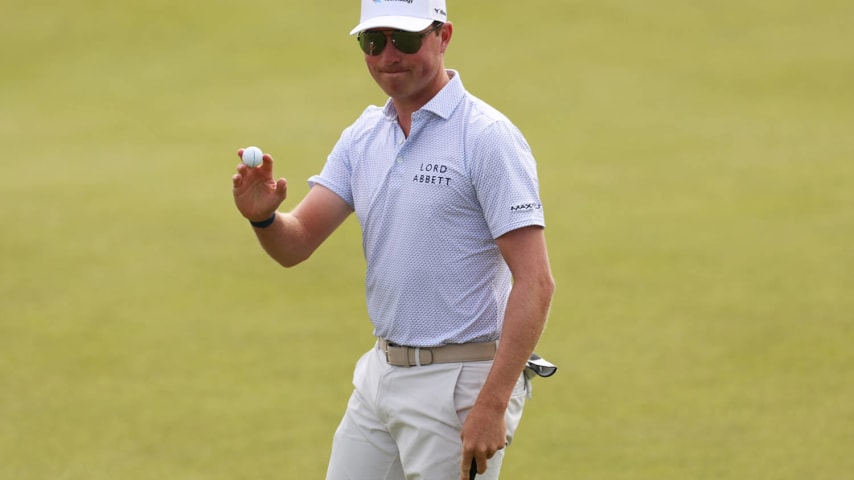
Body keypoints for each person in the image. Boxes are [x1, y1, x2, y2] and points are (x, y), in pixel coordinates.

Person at [230, 1, 555, 478]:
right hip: (380, 375)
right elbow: (295, 244)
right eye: (373, 41)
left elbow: (536, 283)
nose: (388, 56)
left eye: (404, 40)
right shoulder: (363, 136)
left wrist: (492, 402)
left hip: (460, 385)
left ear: (442, 37)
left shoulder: (486, 137)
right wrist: (265, 220)